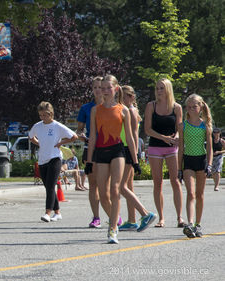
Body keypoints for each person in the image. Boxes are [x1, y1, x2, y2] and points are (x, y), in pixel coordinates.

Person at [85, 75, 142, 244]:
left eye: (108, 87)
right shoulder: (96, 109)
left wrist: (136, 160)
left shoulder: (123, 110)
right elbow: (93, 137)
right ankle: (115, 219)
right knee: (103, 194)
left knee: (115, 188)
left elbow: (131, 137)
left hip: (118, 151)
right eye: (102, 88)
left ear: (116, 89)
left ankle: (112, 230)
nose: (104, 91)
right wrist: (89, 161)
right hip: (101, 152)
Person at [144, 78, 185, 228]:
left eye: (161, 88)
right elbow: (147, 129)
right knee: (158, 182)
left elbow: (179, 128)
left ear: (168, 89)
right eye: (157, 88)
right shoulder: (151, 106)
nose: (159, 91)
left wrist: (177, 137)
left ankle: (180, 217)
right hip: (155, 147)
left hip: (172, 148)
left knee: (175, 181)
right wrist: (164, 138)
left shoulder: (176, 107)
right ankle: (161, 217)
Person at [29, 101, 78, 223]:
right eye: (41, 115)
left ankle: (47, 213)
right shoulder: (37, 126)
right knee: (48, 187)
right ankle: (58, 212)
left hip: (55, 158)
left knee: (51, 186)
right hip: (42, 160)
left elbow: (74, 136)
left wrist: (61, 143)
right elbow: (31, 137)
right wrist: (39, 143)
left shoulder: (57, 126)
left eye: (45, 115)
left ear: (51, 114)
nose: (43, 118)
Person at [118, 85, 156, 232]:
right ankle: (132, 220)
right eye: (120, 96)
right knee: (128, 187)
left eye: (126, 95)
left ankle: (145, 214)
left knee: (121, 187)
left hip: (128, 150)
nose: (122, 99)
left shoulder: (131, 112)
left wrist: (135, 159)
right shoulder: (125, 111)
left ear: (132, 97)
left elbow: (134, 136)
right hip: (124, 148)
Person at [178, 94, 213, 238]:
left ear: (200, 107)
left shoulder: (206, 126)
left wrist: (209, 164)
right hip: (188, 161)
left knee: (200, 194)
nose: (192, 109)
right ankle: (190, 223)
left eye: (195, 106)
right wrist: (179, 168)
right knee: (190, 193)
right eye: (189, 107)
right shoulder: (183, 125)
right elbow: (181, 148)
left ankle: (198, 223)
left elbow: (210, 147)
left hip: (201, 160)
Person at [76, 76, 108, 228]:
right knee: (93, 184)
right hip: (91, 149)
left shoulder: (112, 107)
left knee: (106, 186)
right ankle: (96, 217)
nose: (97, 90)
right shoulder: (86, 108)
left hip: (108, 148)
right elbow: (79, 130)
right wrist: (82, 136)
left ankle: (113, 216)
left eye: (100, 87)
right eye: (95, 87)